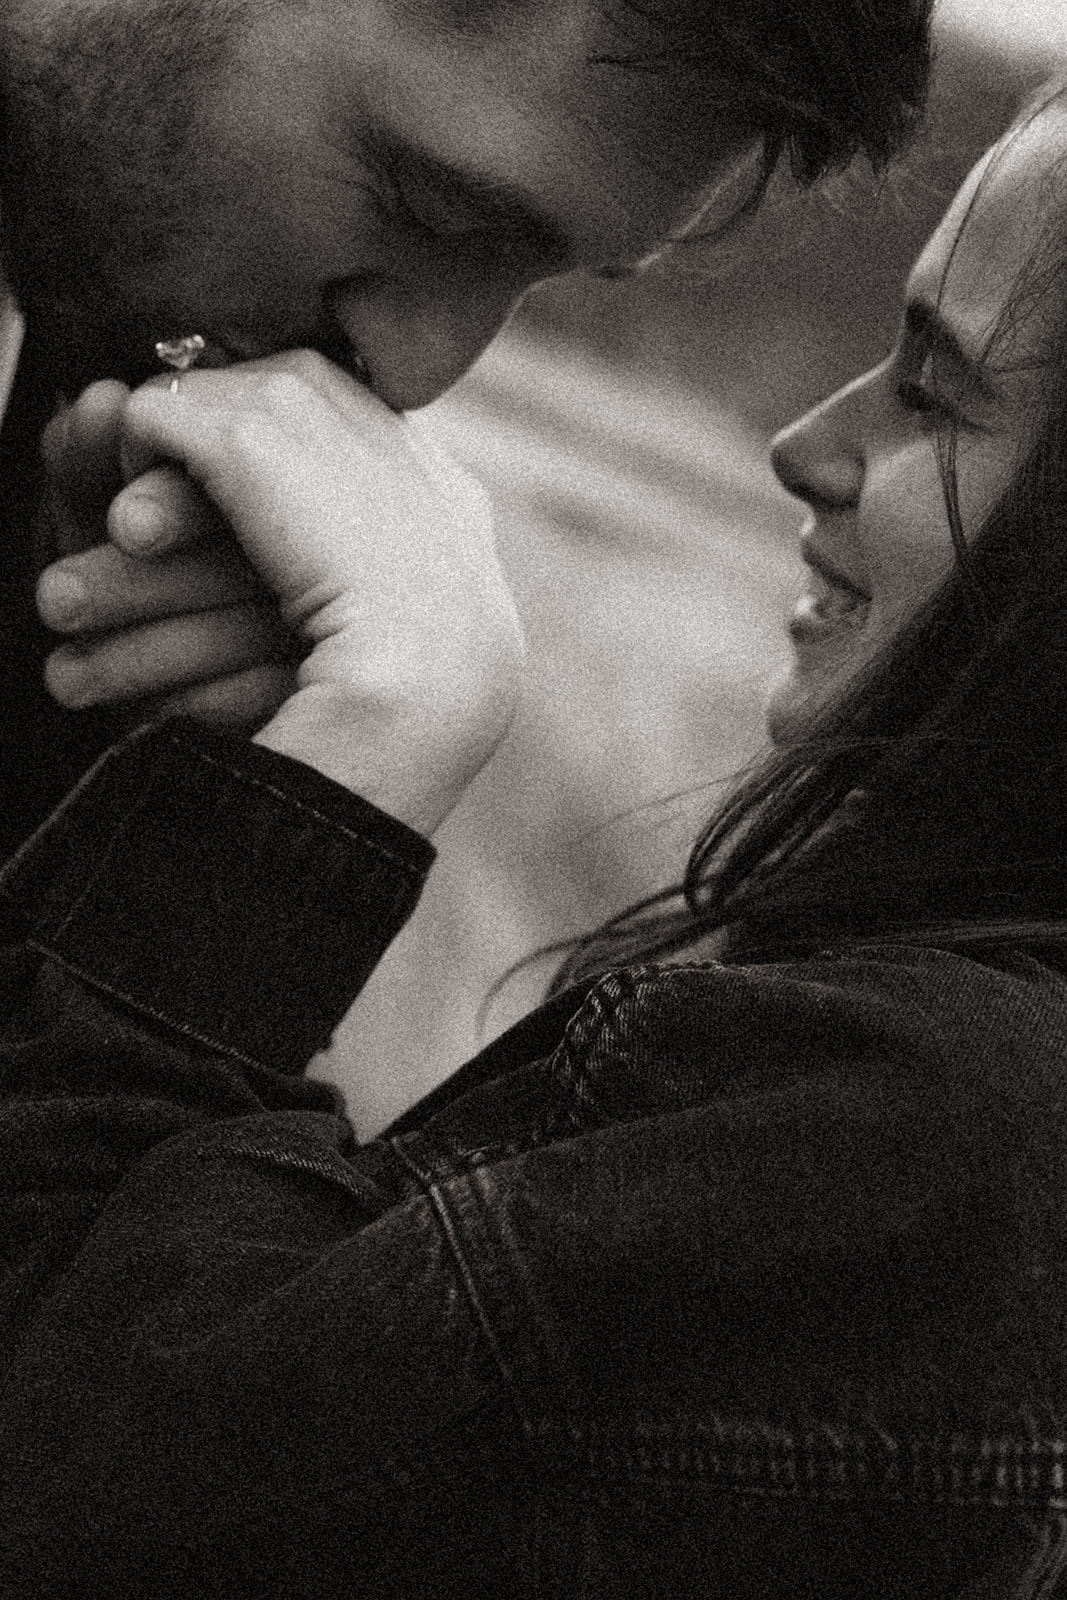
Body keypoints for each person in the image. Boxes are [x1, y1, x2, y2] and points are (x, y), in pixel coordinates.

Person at [5, 42, 1067, 1588]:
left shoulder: (947, 1143)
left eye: (934, 392)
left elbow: (70, 1489)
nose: (804, 443)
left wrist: (353, 759)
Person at [0, 0, 932, 859]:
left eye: (535, 280)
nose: (419, 376)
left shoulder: (96, 350)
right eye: (427, 211)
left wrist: (149, 804)